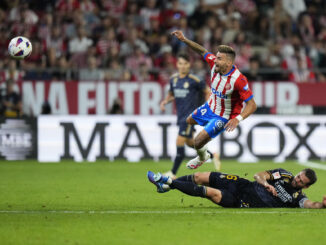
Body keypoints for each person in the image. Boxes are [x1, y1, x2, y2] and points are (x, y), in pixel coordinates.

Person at [171, 30, 257, 170]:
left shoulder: (238, 80)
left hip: (224, 116)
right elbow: (202, 50)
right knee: (189, 121)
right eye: (216, 57)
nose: (215, 60)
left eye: (219, 59)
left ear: (228, 63)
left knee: (197, 142)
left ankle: (202, 157)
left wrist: (238, 119)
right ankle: (205, 154)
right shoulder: (213, 64)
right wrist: (184, 39)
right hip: (210, 107)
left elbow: (252, 105)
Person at [160, 53, 220, 179]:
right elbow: (172, 94)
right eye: (180, 63)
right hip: (180, 115)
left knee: (179, 140)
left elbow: (208, 91)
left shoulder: (195, 80)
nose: (182, 66)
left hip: (190, 117)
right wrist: (165, 101)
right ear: (177, 64)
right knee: (190, 142)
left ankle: (173, 173)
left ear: (189, 65)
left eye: (185, 63)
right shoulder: (174, 79)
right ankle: (212, 155)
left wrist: (207, 108)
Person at [147, 168, 326, 208]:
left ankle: (168, 182)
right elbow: (259, 175)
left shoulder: (298, 199)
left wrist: (323, 205)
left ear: (306, 186)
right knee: (199, 177)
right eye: (298, 176)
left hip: (242, 201)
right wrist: (265, 184)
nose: (297, 180)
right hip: (241, 184)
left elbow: (312, 205)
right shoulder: (284, 174)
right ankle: (167, 186)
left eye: (301, 181)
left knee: (210, 192)